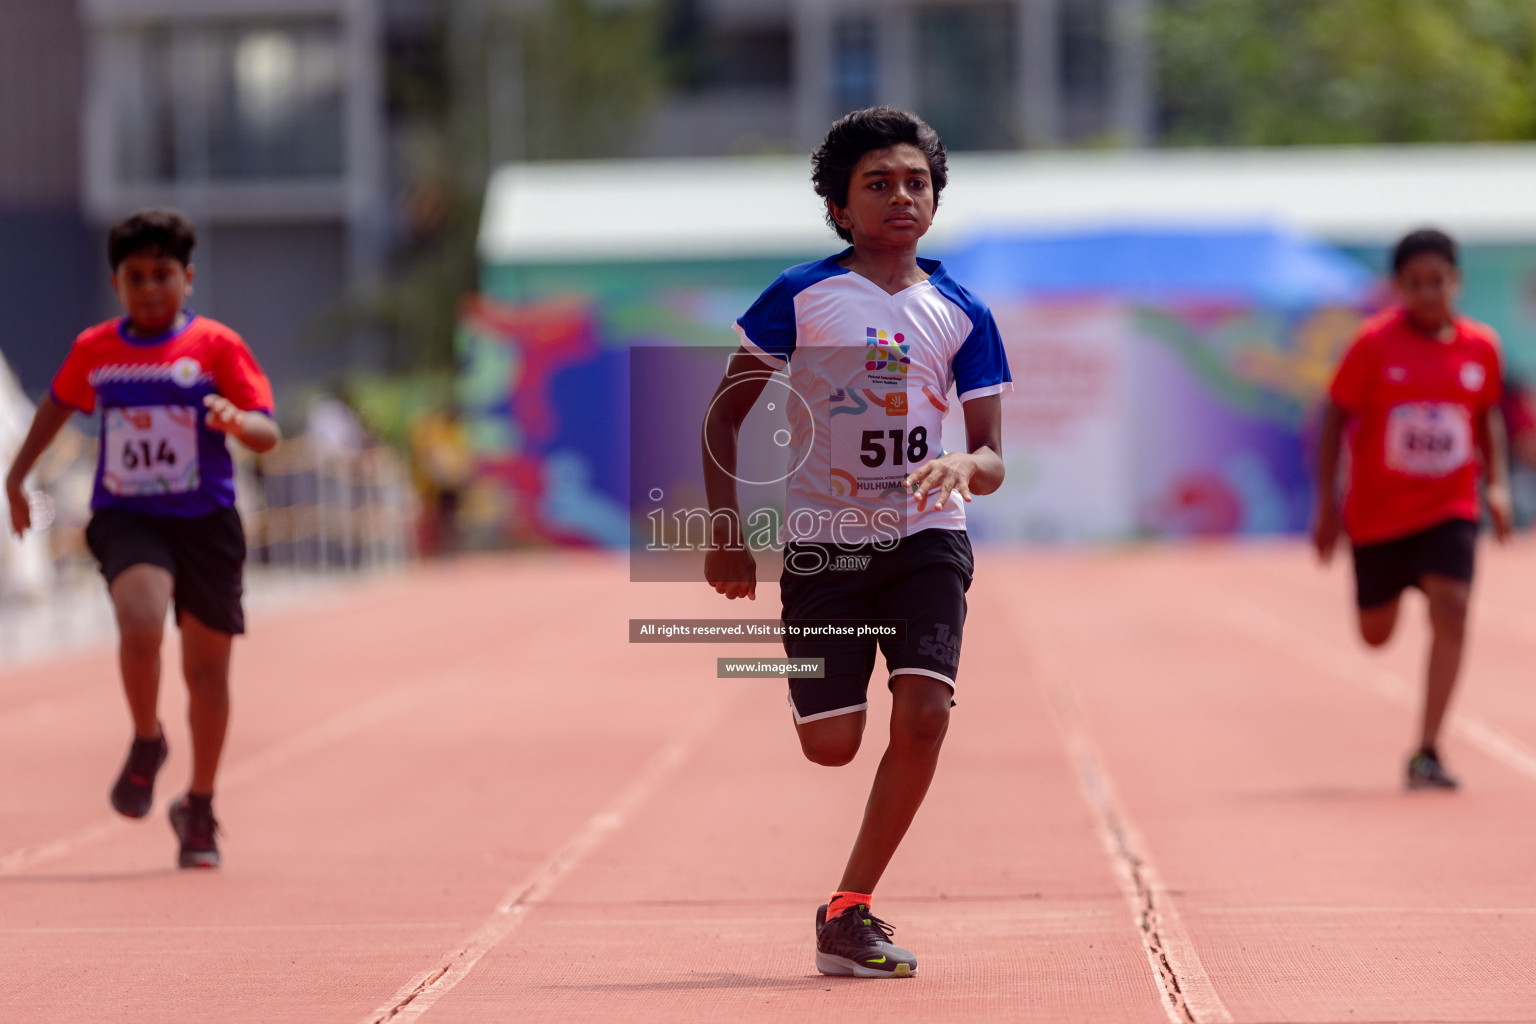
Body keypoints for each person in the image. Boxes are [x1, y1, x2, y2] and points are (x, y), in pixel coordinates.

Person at [702, 107, 1010, 977]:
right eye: (879, 184)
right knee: (831, 743)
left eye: (916, 182)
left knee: (925, 717)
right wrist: (728, 530)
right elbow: (726, 413)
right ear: (840, 207)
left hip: (926, 537)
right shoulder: (801, 295)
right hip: (826, 545)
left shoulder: (962, 312)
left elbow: (991, 457)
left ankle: (849, 909)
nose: (901, 196)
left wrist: (964, 462)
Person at [5, 209, 280, 867]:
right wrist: (15, 479)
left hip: (207, 523)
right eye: (136, 277)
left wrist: (239, 422)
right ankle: (147, 737)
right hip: (130, 518)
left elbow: (267, 430)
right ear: (116, 282)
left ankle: (200, 806)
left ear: (187, 279)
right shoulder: (97, 351)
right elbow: (55, 407)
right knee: (141, 619)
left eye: (163, 275)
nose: (150, 288)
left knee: (207, 673)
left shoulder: (216, 348)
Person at [1314, 228, 1511, 790]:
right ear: (1399, 287)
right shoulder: (1373, 345)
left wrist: (1496, 486)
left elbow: (1487, 415)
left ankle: (1427, 749)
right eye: (1416, 283)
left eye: (1439, 281)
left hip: (1450, 503)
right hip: (1378, 515)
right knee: (1375, 634)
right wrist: (1327, 506)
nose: (1429, 293)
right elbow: (1334, 416)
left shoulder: (1481, 347)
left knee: (1452, 606)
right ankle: (1387, 596)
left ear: (1457, 282)